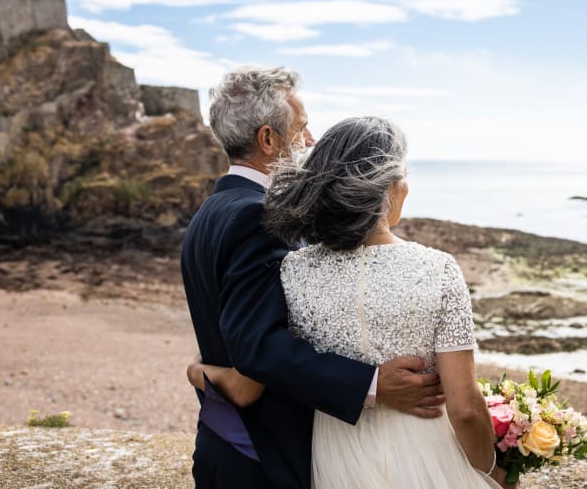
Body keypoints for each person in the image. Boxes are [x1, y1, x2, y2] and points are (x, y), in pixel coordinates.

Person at [190, 116, 514, 488]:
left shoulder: (294, 270)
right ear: (390, 186)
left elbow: (257, 371)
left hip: (336, 461)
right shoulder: (438, 269)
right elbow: (466, 409)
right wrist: (490, 471)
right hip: (427, 455)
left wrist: (200, 372)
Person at [181, 68, 444, 489]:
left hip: (224, 442)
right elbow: (257, 347)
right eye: (302, 128)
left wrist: (204, 374)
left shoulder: (209, 213)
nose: (312, 141)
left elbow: (230, 331)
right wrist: (373, 385)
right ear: (268, 139)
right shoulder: (256, 215)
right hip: (263, 459)